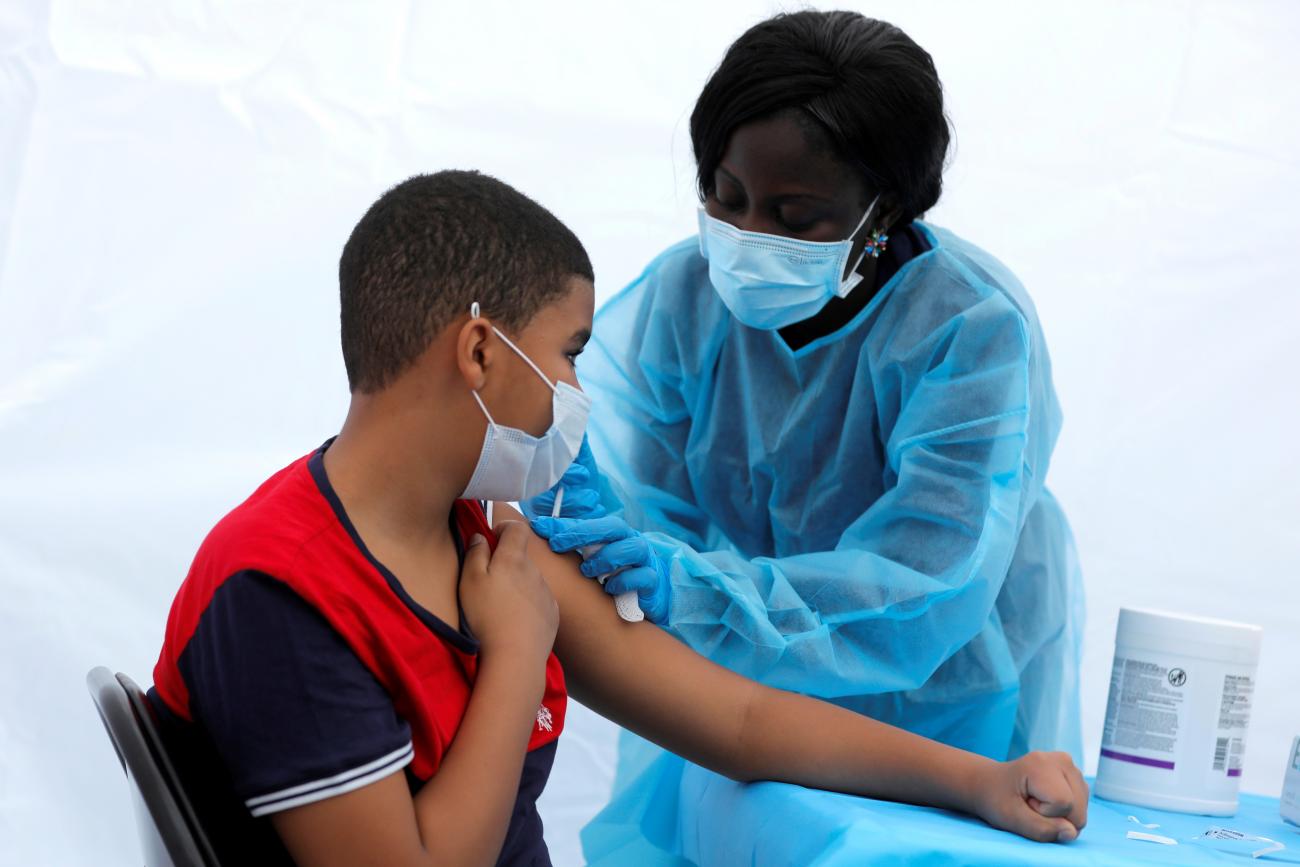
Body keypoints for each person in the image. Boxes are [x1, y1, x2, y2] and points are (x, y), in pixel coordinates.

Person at [149, 171, 1087, 866]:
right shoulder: (281, 593)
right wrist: (518, 657)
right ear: (480, 350)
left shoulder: (480, 538)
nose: (576, 392)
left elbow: (744, 720)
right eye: (567, 352)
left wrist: (981, 780)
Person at [524, 11, 1084, 859]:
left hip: (935, 692)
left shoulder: (968, 328)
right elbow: (621, 491)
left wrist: (695, 589)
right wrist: (613, 538)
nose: (746, 237)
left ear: (884, 208)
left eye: (797, 215)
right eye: (725, 195)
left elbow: (922, 588)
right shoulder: (685, 296)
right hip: (729, 686)